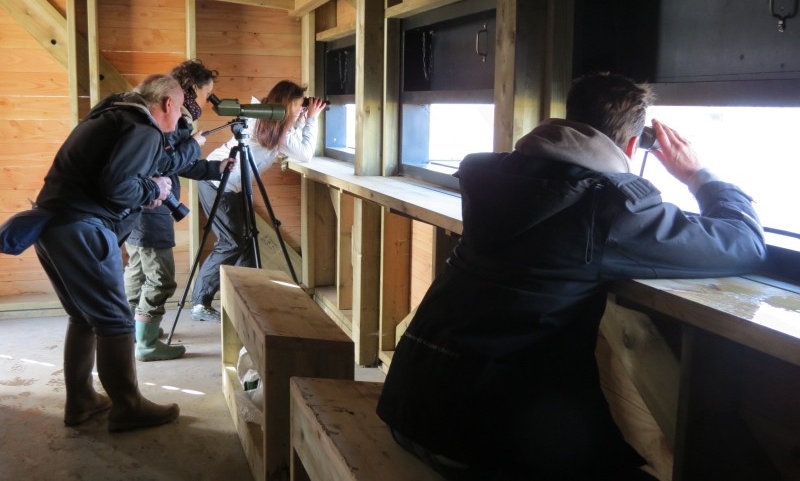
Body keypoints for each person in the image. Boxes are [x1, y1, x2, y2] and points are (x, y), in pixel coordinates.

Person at [376, 72, 767, 479]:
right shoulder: (609, 208)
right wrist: (697, 175)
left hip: (413, 406)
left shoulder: (494, 176)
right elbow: (744, 244)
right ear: (633, 144)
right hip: (483, 441)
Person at [34, 74, 186, 432]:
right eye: (180, 109)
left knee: (84, 316)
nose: (179, 118)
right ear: (166, 105)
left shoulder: (109, 115)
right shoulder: (143, 129)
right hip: (83, 229)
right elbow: (118, 186)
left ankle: (81, 400)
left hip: (51, 224)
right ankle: (128, 406)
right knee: (116, 321)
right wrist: (155, 186)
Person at [189, 80, 326, 322]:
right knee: (231, 243)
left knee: (247, 240)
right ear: (285, 104)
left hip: (230, 185)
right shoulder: (268, 124)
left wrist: (302, 118)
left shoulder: (269, 122)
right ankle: (200, 302)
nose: (299, 109)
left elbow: (292, 143)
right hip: (218, 184)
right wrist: (312, 118)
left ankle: (249, 295)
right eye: (297, 105)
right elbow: (304, 153)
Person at [123, 59, 231, 362]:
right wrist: (195, 145)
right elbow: (161, 164)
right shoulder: (171, 119)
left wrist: (214, 167)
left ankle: (134, 329)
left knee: (138, 270)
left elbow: (177, 163)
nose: (208, 103)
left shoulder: (170, 116)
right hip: (151, 205)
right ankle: (146, 344)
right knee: (161, 277)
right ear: (192, 89)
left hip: (137, 205)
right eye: (207, 95)